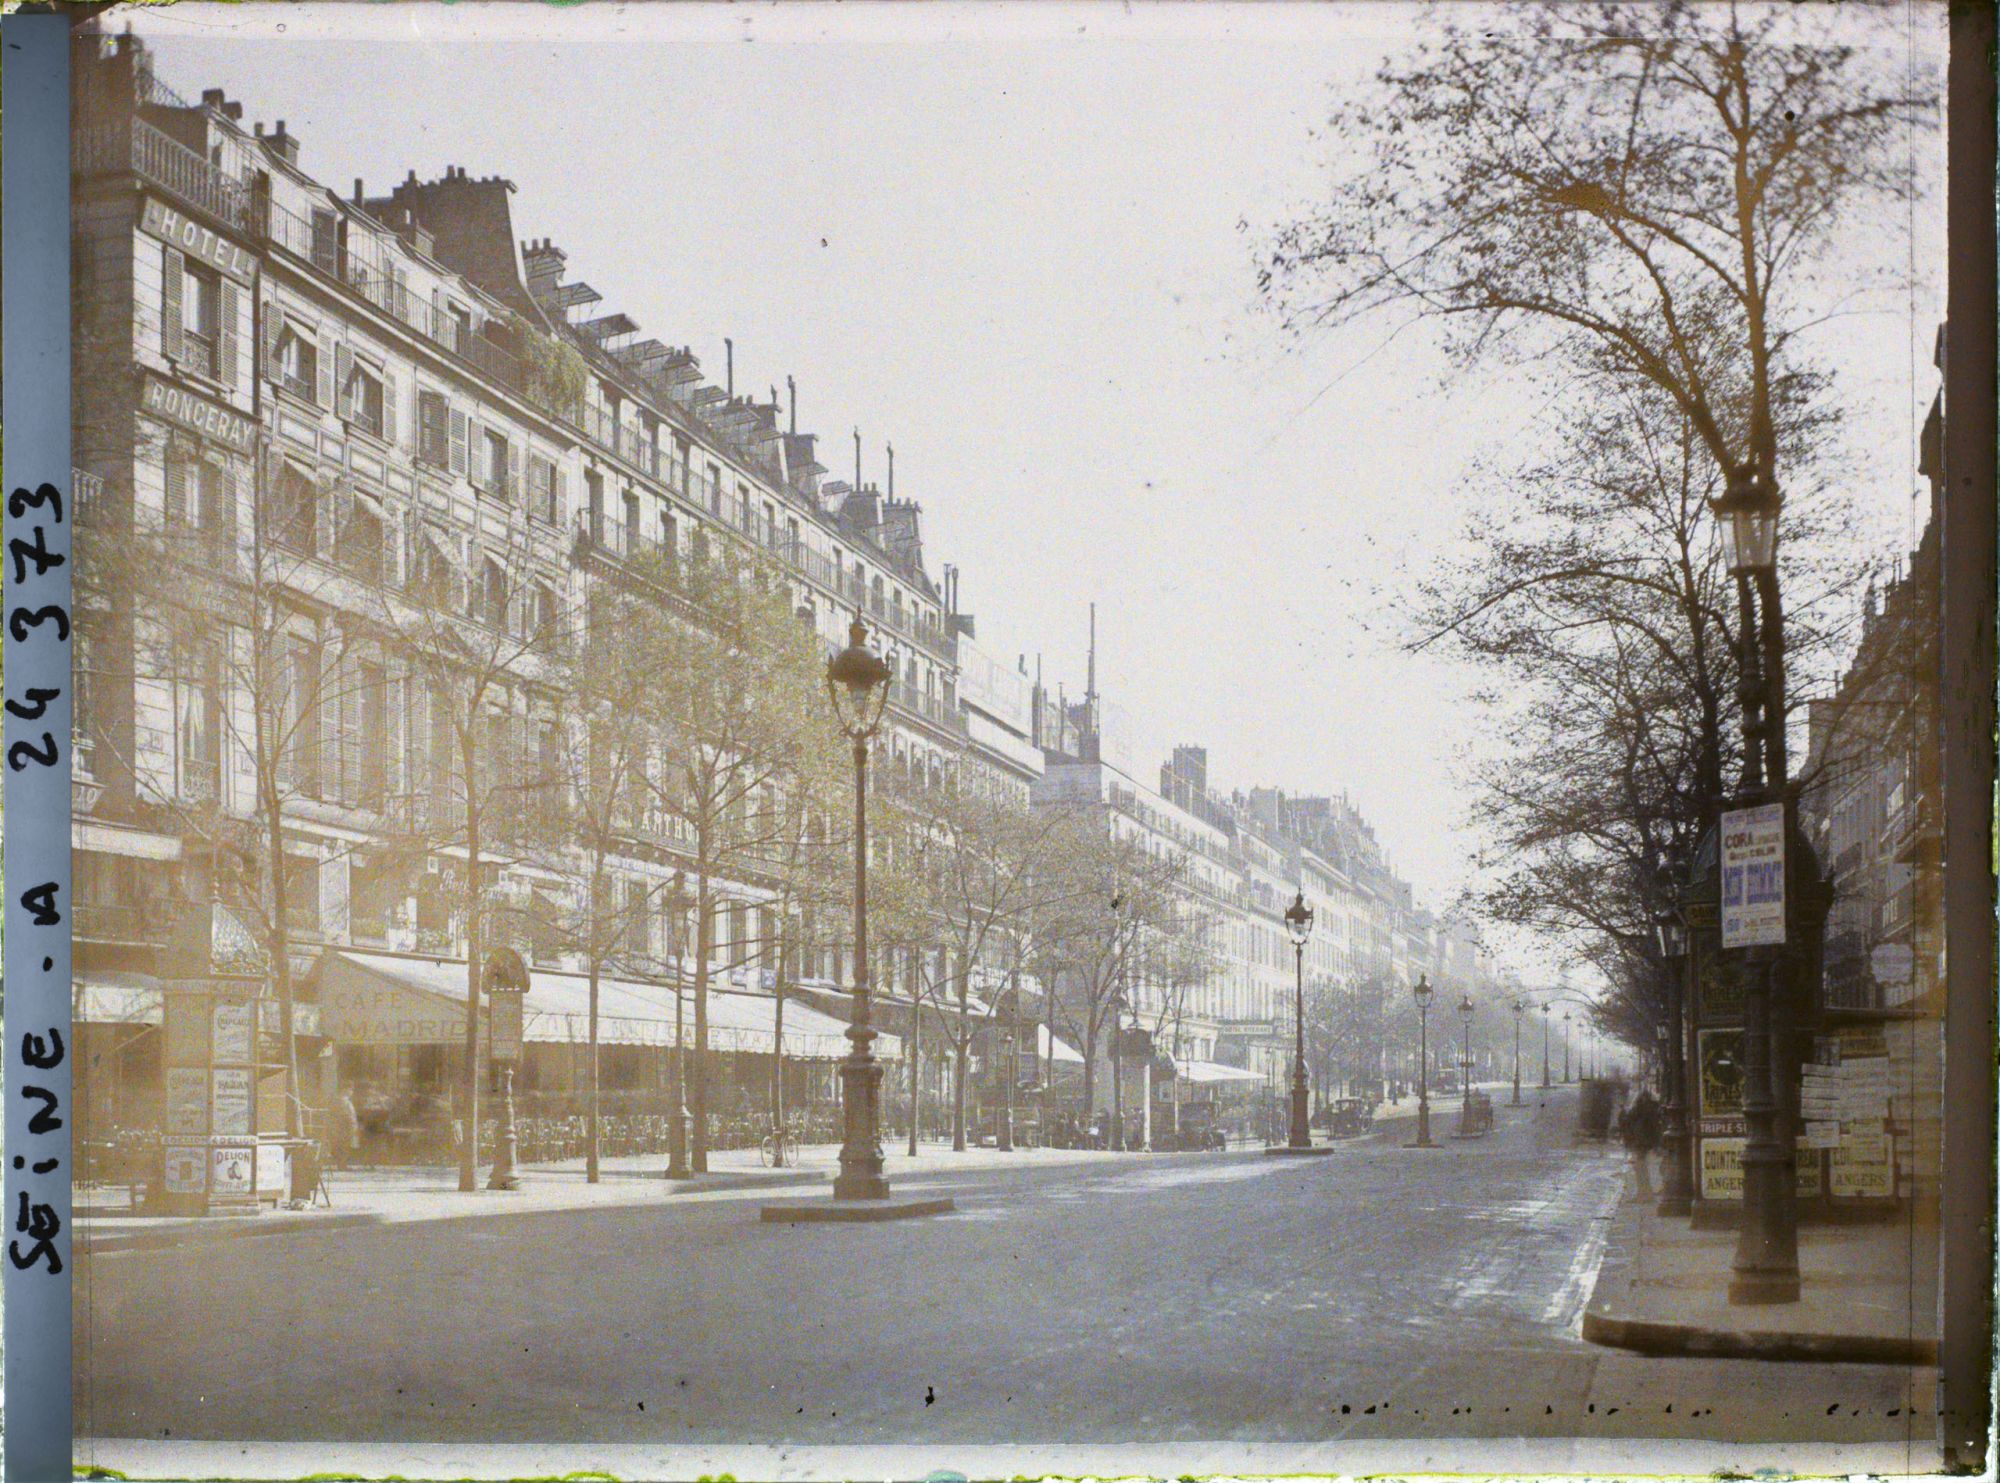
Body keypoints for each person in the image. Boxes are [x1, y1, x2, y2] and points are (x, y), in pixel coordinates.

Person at [1620, 1087, 1663, 1197]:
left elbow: (1628, 1121)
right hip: (1642, 1141)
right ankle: (1644, 1192)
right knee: (1640, 1166)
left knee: (1640, 1166)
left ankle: (1644, 1193)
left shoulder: (1640, 1108)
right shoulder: (1649, 1107)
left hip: (1640, 1141)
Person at [328, 1086, 359, 1170]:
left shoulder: (336, 1101)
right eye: (351, 1090)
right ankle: (342, 1165)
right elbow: (348, 1116)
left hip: (338, 1127)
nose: (352, 1092)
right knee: (344, 1146)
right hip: (345, 1127)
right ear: (345, 1090)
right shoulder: (345, 1102)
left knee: (340, 1146)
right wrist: (352, 1126)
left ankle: (341, 1164)